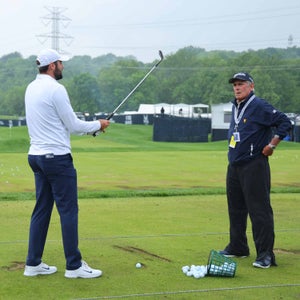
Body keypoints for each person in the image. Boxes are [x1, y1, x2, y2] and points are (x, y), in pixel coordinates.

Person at [23, 49, 110, 278]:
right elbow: (72, 125)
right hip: (57, 160)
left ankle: (33, 263)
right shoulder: (56, 89)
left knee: (42, 209)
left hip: (36, 157)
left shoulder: (31, 87)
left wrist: (92, 128)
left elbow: (59, 125)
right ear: (52, 65)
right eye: (61, 62)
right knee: (68, 211)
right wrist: (98, 124)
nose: (63, 66)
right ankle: (74, 266)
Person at [219, 72, 291, 269]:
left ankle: (266, 255)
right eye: (234, 84)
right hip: (234, 165)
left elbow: (285, 122)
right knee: (235, 209)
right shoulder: (236, 106)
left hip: (254, 165)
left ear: (251, 86)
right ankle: (238, 246)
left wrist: (272, 145)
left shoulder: (259, 105)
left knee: (259, 210)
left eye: (241, 84)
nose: (237, 87)